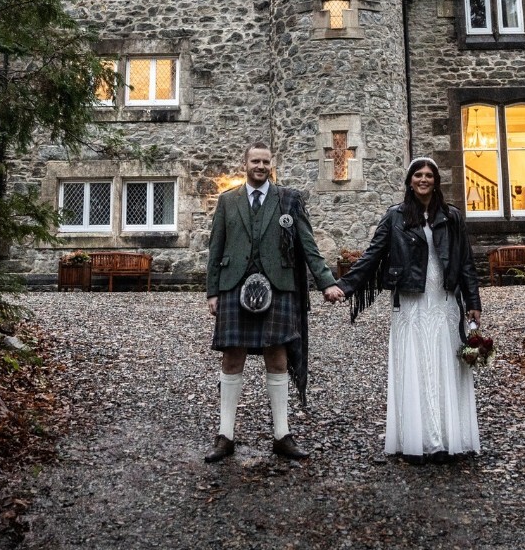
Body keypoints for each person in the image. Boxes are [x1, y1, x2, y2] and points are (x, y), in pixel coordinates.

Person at [205, 141, 344, 462]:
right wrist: (212, 291)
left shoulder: (289, 200)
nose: (260, 166)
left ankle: (282, 435)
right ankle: (225, 436)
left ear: (271, 165)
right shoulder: (228, 201)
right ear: (245, 164)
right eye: (255, 161)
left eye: (265, 162)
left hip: (279, 287)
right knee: (231, 358)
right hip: (233, 286)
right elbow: (216, 249)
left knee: (278, 358)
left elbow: (308, 245)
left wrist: (327, 283)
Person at [337, 156, 482, 462]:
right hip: (411, 302)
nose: (424, 179)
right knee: (415, 365)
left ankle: (444, 439)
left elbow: (466, 262)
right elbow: (372, 255)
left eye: (429, 175)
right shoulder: (395, 217)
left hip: (443, 302)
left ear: (436, 181)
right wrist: (344, 286)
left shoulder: (452, 216)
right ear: (410, 180)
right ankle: (418, 440)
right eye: (418, 175)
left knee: (444, 363)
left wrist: (473, 303)